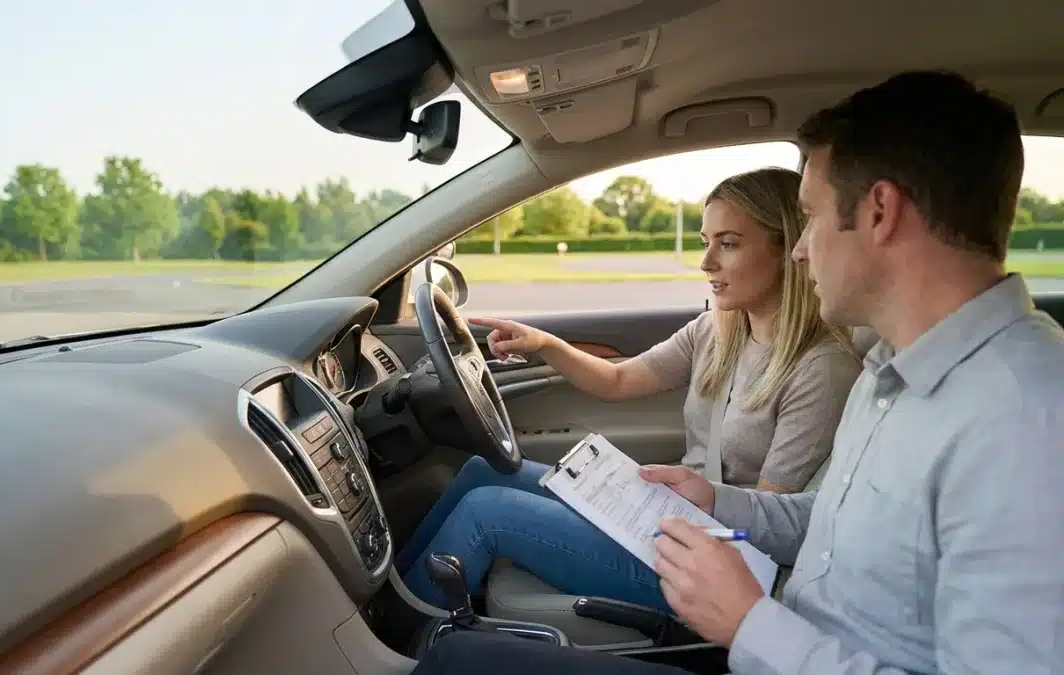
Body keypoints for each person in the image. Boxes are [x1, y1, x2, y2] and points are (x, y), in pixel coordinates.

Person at [410, 70, 1064, 675]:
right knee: (463, 652)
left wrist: (752, 621)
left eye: (807, 216)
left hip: (767, 642)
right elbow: (823, 523)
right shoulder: (891, 369)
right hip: (771, 639)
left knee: (457, 661)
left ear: (879, 212)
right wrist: (721, 499)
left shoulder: (1025, 421)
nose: (803, 249)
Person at [397, 166, 863, 611]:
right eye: (706, 243)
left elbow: (768, 524)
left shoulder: (821, 369)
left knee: (487, 511)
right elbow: (621, 379)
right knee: (482, 472)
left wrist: (640, 517)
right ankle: (394, 605)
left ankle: (395, 640)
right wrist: (544, 344)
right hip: (667, 518)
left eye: (729, 244)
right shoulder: (715, 331)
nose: (706, 262)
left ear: (787, 250)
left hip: (717, 560)